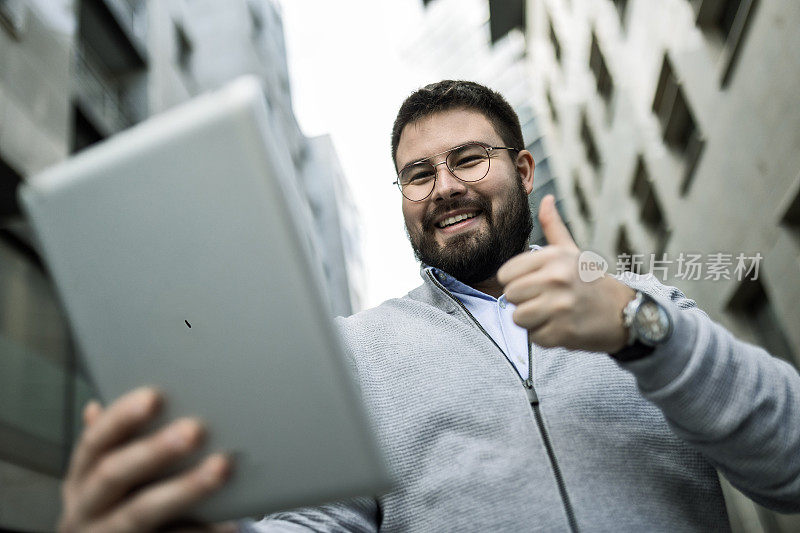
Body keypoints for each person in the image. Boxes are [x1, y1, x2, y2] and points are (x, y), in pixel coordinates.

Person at [58, 81, 800, 532]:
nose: (443, 186)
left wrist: (644, 329)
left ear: (523, 167)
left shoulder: (637, 303)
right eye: (418, 174)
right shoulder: (357, 350)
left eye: (468, 159)